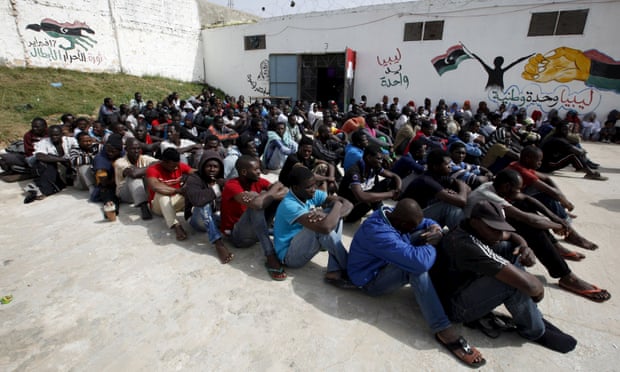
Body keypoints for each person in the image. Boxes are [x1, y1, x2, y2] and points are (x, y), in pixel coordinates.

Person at [348, 198, 486, 367]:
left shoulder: (390, 214)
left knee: (427, 233)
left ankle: (437, 289)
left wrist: (435, 229)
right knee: (417, 269)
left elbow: (425, 221)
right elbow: (420, 263)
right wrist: (433, 243)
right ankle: (443, 329)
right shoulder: (378, 232)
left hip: (384, 261)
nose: (416, 227)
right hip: (371, 280)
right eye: (412, 225)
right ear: (401, 222)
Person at [432, 200, 578, 354]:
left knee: (511, 250)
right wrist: (538, 291)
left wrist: (524, 246)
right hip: (455, 307)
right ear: (475, 222)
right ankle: (534, 330)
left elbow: (510, 235)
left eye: (500, 227)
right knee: (513, 283)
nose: (499, 234)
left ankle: (530, 312)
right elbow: (532, 287)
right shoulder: (468, 245)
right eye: (493, 228)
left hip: (462, 286)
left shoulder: (470, 227)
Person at [465, 169, 610, 302]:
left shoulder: (496, 185)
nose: (520, 191)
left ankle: (555, 247)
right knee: (532, 228)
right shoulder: (488, 194)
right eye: (517, 189)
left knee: (525, 207)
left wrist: (555, 218)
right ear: (506, 186)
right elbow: (528, 219)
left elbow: (528, 199)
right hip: (479, 234)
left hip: (491, 225)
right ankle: (566, 276)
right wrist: (559, 226)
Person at [507, 146, 599, 250]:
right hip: (509, 202)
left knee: (548, 195)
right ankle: (572, 234)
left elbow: (547, 179)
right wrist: (566, 203)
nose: (540, 163)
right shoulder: (521, 170)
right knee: (546, 197)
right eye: (538, 161)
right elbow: (551, 191)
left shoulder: (520, 165)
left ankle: (566, 227)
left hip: (517, 195)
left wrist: (561, 198)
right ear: (528, 159)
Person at [273, 166, 353, 285]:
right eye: (309, 187)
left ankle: (334, 269)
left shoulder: (309, 194)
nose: (314, 189)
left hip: (301, 242)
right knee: (323, 226)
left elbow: (349, 204)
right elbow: (325, 227)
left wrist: (332, 210)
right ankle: (350, 268)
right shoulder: (289, 205)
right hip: (290, 255)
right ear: (296, 188)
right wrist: (337, 204)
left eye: (315, 185)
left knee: (334, 216)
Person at [221, 155, 288, 280]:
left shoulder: (257, 181)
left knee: (268, 199)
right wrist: (267, 194)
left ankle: (283, 233)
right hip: (238, 237)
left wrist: (265, 195)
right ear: (244, 172)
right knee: (257, 205)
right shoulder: (232, 185)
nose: (259, 172)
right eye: (256, 169)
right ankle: (270, 255)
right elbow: (258, 204)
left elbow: (284, 190)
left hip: (255, 231)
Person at [184, 150, 234, 264]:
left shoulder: (220, 180)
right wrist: (217, 188)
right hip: (196, 218)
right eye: (208, 166)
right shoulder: (194, 178)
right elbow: (198, 200)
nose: (212, 169)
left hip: (214, 216)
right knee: (204, 203)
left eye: (215, 167)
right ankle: (217, 242)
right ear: (202, 166)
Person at [401, 149, 469, 230]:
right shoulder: (426, 180)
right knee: (448, 207)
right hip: (409, 219)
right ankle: (462, 235)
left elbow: (468, 189)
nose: (450, 166)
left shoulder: (440, 177)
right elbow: (462, 201)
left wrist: (457, 191)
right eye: (447, 164)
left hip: (422, 215)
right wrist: (462, 187)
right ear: (436, 167)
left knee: (451, 202)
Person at [338, 145, 401, 223]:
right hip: (347, 211)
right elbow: (361, 196)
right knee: (372, 199)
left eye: (381, 159)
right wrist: (390, 194)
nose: (381, 162)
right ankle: (384, 220)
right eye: (378, 159)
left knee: (387, 182)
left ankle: (384, 217)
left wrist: (398, 190)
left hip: (360, 202)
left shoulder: (373, 166)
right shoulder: (354, 171)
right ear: (368, 157)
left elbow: (394, 176)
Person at [146, 148, 194, 241]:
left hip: (175, 202)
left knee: (192, 189)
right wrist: (178, 191)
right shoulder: (153, 170)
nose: (176, 168)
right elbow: (155, 186)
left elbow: (194, 172)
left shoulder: (178, 165)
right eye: (173, 166)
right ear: (164, 162)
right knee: (162, 194)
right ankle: (176, 225)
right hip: (159, 206)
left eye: (177, 165)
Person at [24, 125, 77, 203]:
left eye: (57, 135)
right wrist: (61, 159)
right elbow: (39, 156)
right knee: (42, 162)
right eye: (52, 135)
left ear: (62, 134)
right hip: (57, 166)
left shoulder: (71, 140)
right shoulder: (44, 142)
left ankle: (45, 188)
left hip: (71, 165)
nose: (54, 137)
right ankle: (44, 190)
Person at [540, 121, 606, 180]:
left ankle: (582, 167)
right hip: (547, 165)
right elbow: (578, 152)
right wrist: (582, 151)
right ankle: (590, 173)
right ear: (558, 130)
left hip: (546, 163)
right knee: (573, 155)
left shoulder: (555, 137)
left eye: (567, 129)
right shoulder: (558, 140)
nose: (567, 131)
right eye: (565, 129)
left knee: (572, 150)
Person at [114, 137, 158, 220]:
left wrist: (145, 169)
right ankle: (144, 207)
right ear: (126, 149)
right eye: (133, 149)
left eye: (138, 148)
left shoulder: (143, 158)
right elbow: (134, 174)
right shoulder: (120, 162)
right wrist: (150, 167)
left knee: (148, 174)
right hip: (125, 194)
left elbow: (159, 163)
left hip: (141, 190)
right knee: (134, 178)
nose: (136, 151)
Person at [92, 134, 124, 218]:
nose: (110, 153)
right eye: (108, 150)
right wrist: (117, 178)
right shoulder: (100, 159)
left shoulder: (123, 154)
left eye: (113, 151)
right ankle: (110, 207)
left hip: (121, 182)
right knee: (108, 193)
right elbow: (104, 182)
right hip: (107, 185)